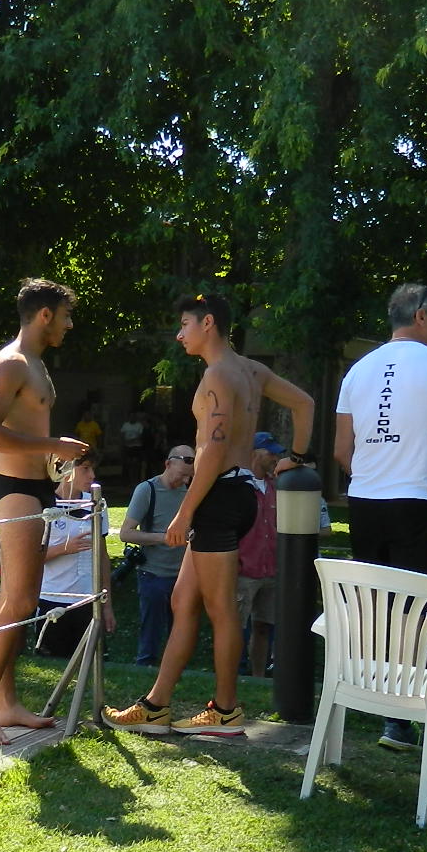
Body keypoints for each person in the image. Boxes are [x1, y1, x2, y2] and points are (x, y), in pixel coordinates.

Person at [107, 291, 314, 735]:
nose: (179, 334)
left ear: (208, 323)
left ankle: (225, 710)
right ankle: (156, 706)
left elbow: (214, 450)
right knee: (184, 601)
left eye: (185, 324)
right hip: (236, 493)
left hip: (219, 496)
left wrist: (184, 513)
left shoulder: (219, 374)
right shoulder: (251, 370)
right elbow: (305, 405)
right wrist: (295, 456)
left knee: (220, 608)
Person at [334, 281, 427, 750]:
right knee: (420, 610)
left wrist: (376, 471)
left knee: (376, 607)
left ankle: (385, 705)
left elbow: (341, 451)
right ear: (420, 316)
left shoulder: (357, 370)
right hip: (414, 500)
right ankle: (403, 715)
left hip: (364, 500)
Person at [0, 279, 88, 745]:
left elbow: (27, 429)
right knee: (19, 600)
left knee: (20, 600)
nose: (69, 325)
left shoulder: (36, 364)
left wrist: (53, 456)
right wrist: (52, 444)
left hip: (38, 487)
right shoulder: (11, 363)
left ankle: (7, 702)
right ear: (45, 315)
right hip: (13, 488)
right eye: (66, 316)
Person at [119, 445, 194, 665]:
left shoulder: (190, 492)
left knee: (180, 629)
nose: (185, 481)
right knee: (151, 629)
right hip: (153, 573)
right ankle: (145, 666)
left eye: (189, 477)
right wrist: (164, 538)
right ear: (168, 464)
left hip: (183, 576)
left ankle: (175, 667)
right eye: (182, 475)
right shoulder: (147, 490)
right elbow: (126, 533)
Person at [36, 456, 114, 660]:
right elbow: (29, 558)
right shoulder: (44, 505)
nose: (92, 475)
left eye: (93, 469)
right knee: (54, 666)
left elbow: (103, 556)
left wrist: (107, 604)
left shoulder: (96, 504)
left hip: (88, 600)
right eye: (85, 469)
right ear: (66, 470)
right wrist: (63, 549)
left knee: (91, 665)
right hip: (53, 600)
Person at [234, 437, 282, 678]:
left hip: (271, 570)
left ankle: (258, 677)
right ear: (254, 453)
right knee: (236, 627)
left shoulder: (277, 488)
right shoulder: (239, 486)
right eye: (270, 453)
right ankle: (231, 674)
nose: (275, 458)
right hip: (243, 570)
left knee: (264, 626)